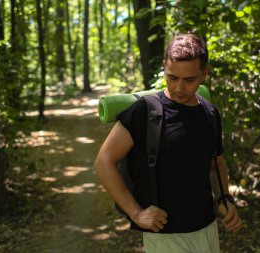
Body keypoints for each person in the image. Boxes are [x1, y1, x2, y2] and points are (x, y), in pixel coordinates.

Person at [94, 33, 241, 253]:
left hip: (208, 228)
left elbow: (215, 161)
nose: (179, 88)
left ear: (204, 74)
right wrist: (136, 213)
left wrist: (223, 197)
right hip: (166, 236)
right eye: (172, 77)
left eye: (189, 80)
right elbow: (103, 161)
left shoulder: (210, 113)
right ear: (164, 67)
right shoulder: (145, 111)